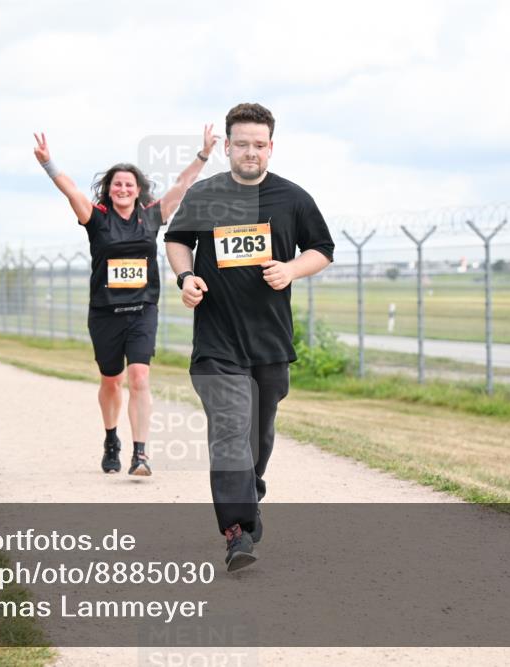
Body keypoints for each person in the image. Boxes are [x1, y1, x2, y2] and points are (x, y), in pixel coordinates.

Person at [164, 103, 335, 571]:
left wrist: (291, 269)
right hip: (217, 342)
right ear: (228, 146)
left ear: (271, 147)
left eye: (260, 145)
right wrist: (185, 278)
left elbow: (323, 249)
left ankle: (249, 489)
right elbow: (177, 239)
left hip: (269, 342)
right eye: (242, 144)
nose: (251, 152)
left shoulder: (293, 198)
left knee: (258, 435)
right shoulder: (205, 194)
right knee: (230, 430)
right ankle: (237, 531)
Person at [33, 126, 217, 476]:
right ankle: (110, 438)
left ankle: (141, 453)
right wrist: (48, 164)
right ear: (109, 189)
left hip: (142, 310)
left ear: (137, 190)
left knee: (139, 377)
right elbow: (70, 189)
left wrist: (204, 154)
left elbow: (182, 185)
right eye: (117, 184)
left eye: (129, 184)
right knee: (111, 381)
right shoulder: (96, 218)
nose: (122, 188)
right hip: (104, 313)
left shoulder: (151, 216)